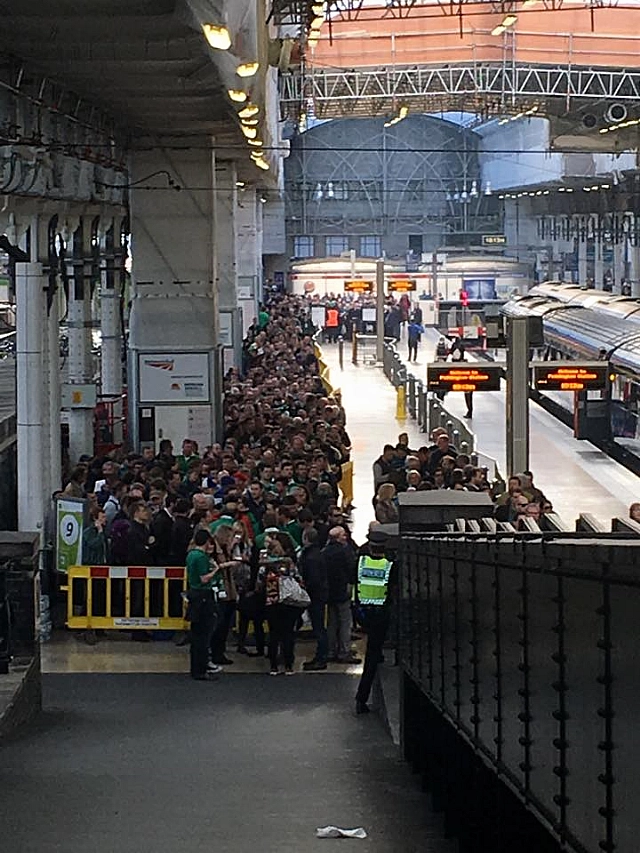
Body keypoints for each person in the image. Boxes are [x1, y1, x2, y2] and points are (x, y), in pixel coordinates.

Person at [355, 529, 394, 715]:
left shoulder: (361, 563)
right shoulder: (389, 566)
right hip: (381, 615)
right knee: (373, 653)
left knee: (371, 653)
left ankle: (361, 698)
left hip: (363, 613)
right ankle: (361, 698)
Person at [257, 540, 303, 675]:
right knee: (288, 634)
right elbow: (298, 578)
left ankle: (273, 666)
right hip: (288, 602)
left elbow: (259, 584)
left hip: (272, 602)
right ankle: (288, 665)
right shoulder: (289, 563)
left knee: (273, 634)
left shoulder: (264, 566)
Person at [186, 529, 219, 681]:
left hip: (193, 593)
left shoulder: (191, 555)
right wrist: (215, 570)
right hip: (203, 596)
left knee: (196, 634)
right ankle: (201, 668)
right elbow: (204, 579)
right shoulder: (202, 558)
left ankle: (195, 668)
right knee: (204, 635)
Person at [323, 526, 360, 664]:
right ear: (338, 538)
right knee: (345, 622)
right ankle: (344, 651)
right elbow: (351, 569)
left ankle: (331, 650)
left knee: (332, 622)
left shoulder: (325, 552)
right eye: (344, 535)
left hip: (330, 592)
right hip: (342, 591)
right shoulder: (345, 552)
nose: (346, 537)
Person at [300, 527, 329, 671]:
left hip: (315, 596)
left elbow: (313, 579)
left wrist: (304, 587)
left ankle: (321, 658)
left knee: (318, 628)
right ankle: (321, 656)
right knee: (319, 626)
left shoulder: (310, 558)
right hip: (320, 595)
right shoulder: (318, 554)